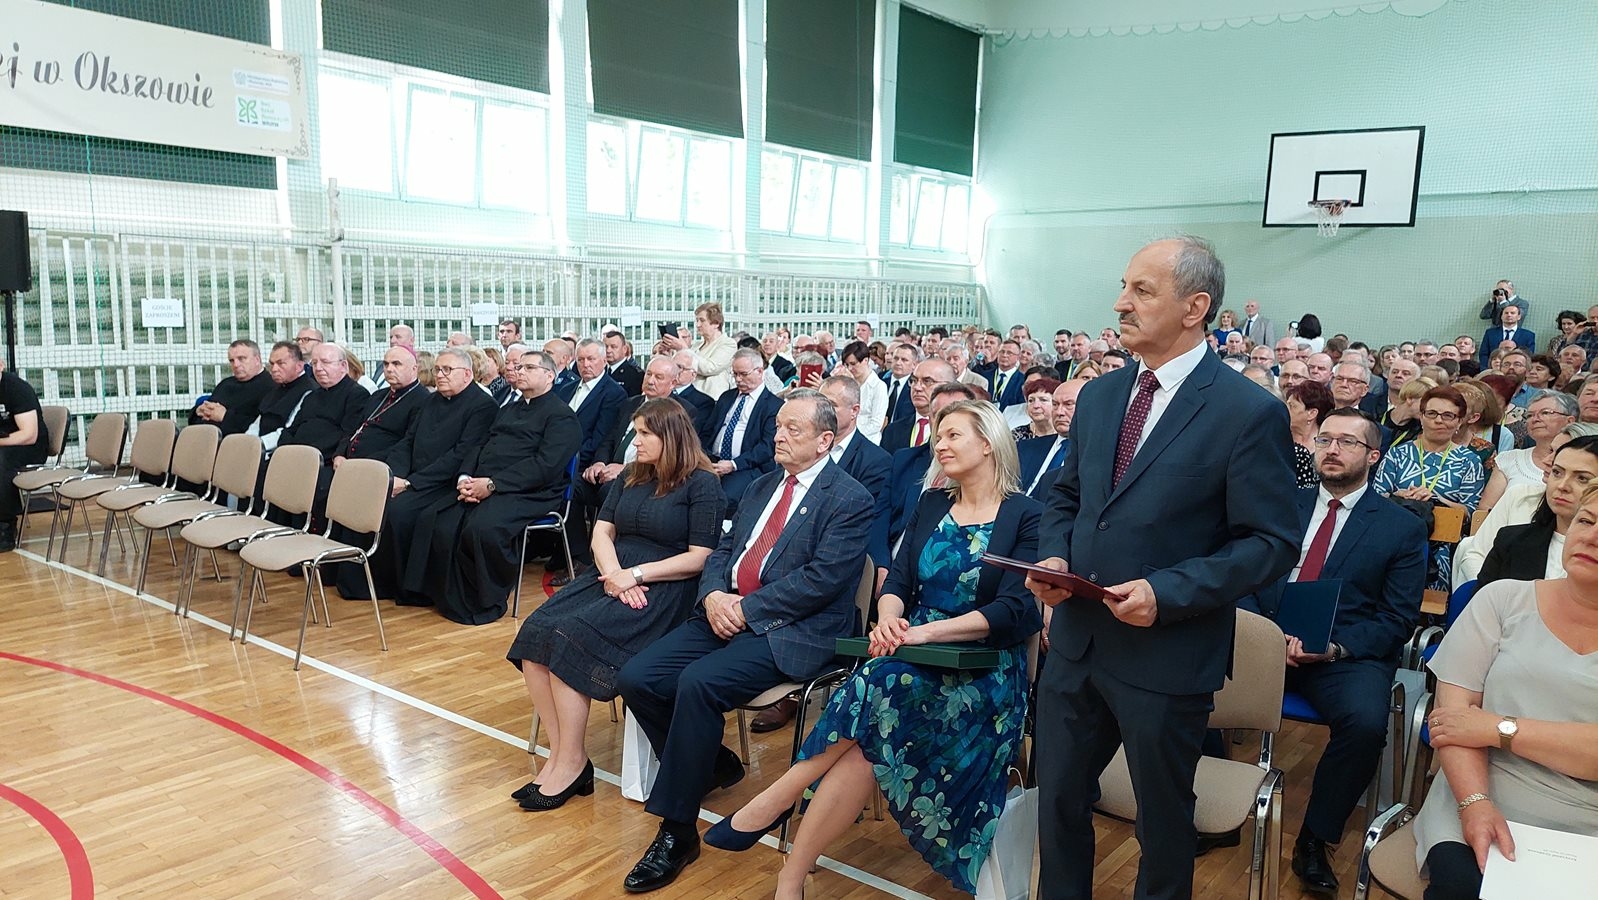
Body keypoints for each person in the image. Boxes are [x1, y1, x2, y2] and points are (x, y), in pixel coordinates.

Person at [1026, 237, 1301, 900]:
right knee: (1056, 800)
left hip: (1167, 653)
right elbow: (1067, 497)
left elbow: (1270, 543)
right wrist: (1056, 554)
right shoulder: (1100, 397)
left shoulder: (1246, 411)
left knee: (1164, 820)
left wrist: (1168, 590)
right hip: (1077, 644)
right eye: (1124, 287)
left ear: (1194, 307)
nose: (1120, 303)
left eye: (1142, 290)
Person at [707, 399, 1043, 897]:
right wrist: (887, 618)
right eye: (938, 436)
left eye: (953, 435)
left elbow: (1014, 611)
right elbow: (899, 579)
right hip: (909, 653)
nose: (940, 445)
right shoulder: (933, 503)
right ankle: (790, 875)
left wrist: (922, 633)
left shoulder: (1027, 515)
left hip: (984, 671)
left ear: (990, 443)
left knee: (878, 683)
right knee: (869, 730)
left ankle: (780, 801)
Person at [614, 391, 873, 894]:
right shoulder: (761, 486)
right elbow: (723, 550)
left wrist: (745, 609)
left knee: (697, 683)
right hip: (726, 612)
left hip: (794, 630)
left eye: (792, 429)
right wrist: (714, 595)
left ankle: (676, 831)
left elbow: (822, 581)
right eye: (777, 426)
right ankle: (712, 763)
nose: (778, 436)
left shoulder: (849, 499)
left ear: (825, 440)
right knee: (637, 678)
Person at [1240, 409, 1428, 895]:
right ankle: (1208, 809)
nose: (1332, 449)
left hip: (1343, 653)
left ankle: (1315, 838)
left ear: (1373, 456)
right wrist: (1263, 635)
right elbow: (1241, 574)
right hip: (1265, 638)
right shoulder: (1283, 504)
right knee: (1185, 676)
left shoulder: (1400, 527)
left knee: (1364, 724)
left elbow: (1397, 618)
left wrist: (1335, 649)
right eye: (1324, 440)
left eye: (1347, 442)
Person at [505, 400, 723, 809]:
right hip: (612, 576)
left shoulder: (702, 483)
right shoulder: (631, 475)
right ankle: (563, 755)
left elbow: (700, 557)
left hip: (665, 587)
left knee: (569, 637)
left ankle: (571, 762)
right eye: (635, 432)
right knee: (536, 631)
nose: (635, 441)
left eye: (644, 434)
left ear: (671, 437)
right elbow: (601, 533)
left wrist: (634, 576)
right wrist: (615, 576)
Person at [1410, 486, 1598, 899]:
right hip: (1479, 787)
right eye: (1586, 521)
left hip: (1588, 816)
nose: (1592, 536)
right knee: (1462, 887)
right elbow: (1452, 722)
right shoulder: (1502, 599)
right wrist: (1474, 804)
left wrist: (1495, 727)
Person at [425, 350, 582, 625]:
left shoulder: (561, 417)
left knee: (482, 528)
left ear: (549, 376)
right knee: (444, 522)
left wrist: (493, 485)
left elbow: (544, 466)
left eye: (529, 368)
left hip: (532, 491)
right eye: (519, 367)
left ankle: (486, 600)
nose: (520, 372)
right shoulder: (508, 409)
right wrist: (465, 478)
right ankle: (452, 598)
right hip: (487, 483)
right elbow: (480, 445)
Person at [356, 347, 497, 603]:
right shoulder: (431, 400)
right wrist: (394, 476)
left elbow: (462, 454)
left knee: (398, 513)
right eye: (437, 369)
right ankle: (374, 581)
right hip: (413, 476)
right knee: (373, 501)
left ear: (467, 374)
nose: (440, 375)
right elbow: (408, 441)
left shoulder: (483, 406)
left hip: (445, 482)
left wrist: (411, 483)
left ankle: (407, 588)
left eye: (447, 370)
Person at [1373, 385, 1486, 594]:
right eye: (1432, 413)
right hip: (1393, 539)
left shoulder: (1469, 461)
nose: (1439, 420)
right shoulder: (1397, 454)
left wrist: (1436, 498)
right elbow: (1376, 497)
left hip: (1442, 546)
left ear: (1459, 421)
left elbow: (1469, 513)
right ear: (1421, 416)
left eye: (1448, 415)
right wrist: (1398, 495)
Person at [1472, 435, 1598, 588]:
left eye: (1582, 478)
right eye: (1557, 472)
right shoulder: (1510, 541)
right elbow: (1484, 600)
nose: (1562, 486)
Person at [704, 348, 783, 510]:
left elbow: (767, 447)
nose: (738, 379)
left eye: (743, 374)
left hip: (746, 466)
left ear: (759, 371)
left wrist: (733, 464)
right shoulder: (727, 397)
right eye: (735, 374)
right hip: (712, 460)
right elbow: (707, 432)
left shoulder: (773, 405)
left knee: (723, 499)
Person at [1479, 390, 1578, 513]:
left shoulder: (1582, 464)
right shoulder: (1509, 459)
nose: (1535, 419)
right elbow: (1484, 510)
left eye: (1545, 412)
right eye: (1530, 415)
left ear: (1569, 421)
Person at [0, 360, 49, 551]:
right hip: (4, 442)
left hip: (30, 446)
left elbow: (29, 435)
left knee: (2, 460)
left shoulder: (17, 389)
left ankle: (5, 525)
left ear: (1, 365)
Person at [191, 339, 273, 435]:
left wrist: (224, 416)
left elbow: (263, 426)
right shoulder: (225, 384)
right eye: (232, 360)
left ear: (257, 360)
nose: (236, 365)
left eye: (241, 358)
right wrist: (198, 411)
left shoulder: (270, 387)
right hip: (203, 435)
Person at [249, 341, 317, 455]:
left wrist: (258, 444)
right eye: (272, 364)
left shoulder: (309, 391)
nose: (274, 369)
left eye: (281, 363)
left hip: (280, 453)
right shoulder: (274, 388)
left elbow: (290, 429)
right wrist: (247, 441)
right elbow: (259, 421)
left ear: (299, 366)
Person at [1017, 379, 1081, 498]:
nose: (1059, 412)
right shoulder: (1025, 447)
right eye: (1055, 404)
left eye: (1068, 404)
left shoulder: (1095, 455)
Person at [662, 301, 738, 398]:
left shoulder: (728, 344)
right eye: (697, 320)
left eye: (702, 320)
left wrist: (683, 348)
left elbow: (710, 368)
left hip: (711, 398)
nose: (698, 325)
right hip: (689, 396)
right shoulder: (696, 346)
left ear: (716, 323)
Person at [881, 358, 956, 452]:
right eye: (914, 380)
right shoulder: (892, 431)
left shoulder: (955, 432)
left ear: (949, 386)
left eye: (927, 381)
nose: (917, 387)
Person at [1286, 380, 1334, 488]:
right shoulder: (1278, 439)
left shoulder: (1329, 448)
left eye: (1292, 406)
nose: (1285, 409)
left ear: (1312, 414)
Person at [837, 341, 887, 444]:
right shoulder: (848, 383)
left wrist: (851, 435)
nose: (850, 368)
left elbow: (877, 423)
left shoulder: (879, 386)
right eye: (847, 365)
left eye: (853, 364)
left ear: (865, 360)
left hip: (868, 442)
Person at [1479, 303, 1536, 368]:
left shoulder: (1528, 335)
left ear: (1519, 316)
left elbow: (1529, 356)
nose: (1509, 315)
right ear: (1501, 316)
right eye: (1506, 313)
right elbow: (1483, 354)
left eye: (1512, 313)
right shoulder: (1490, 333)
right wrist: (1486, 370)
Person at [1013, 376, 1060, 441]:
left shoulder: (1066, 434)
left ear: (1056, 404)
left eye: (1043, 400)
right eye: (1031, 400)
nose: (1035, 405)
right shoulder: (1016, 435)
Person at [604, 331, 644, 397]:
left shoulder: (635, 374)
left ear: (624, 349)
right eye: (605, 347)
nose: (608, 350)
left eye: (613, 347)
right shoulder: (599, 371)